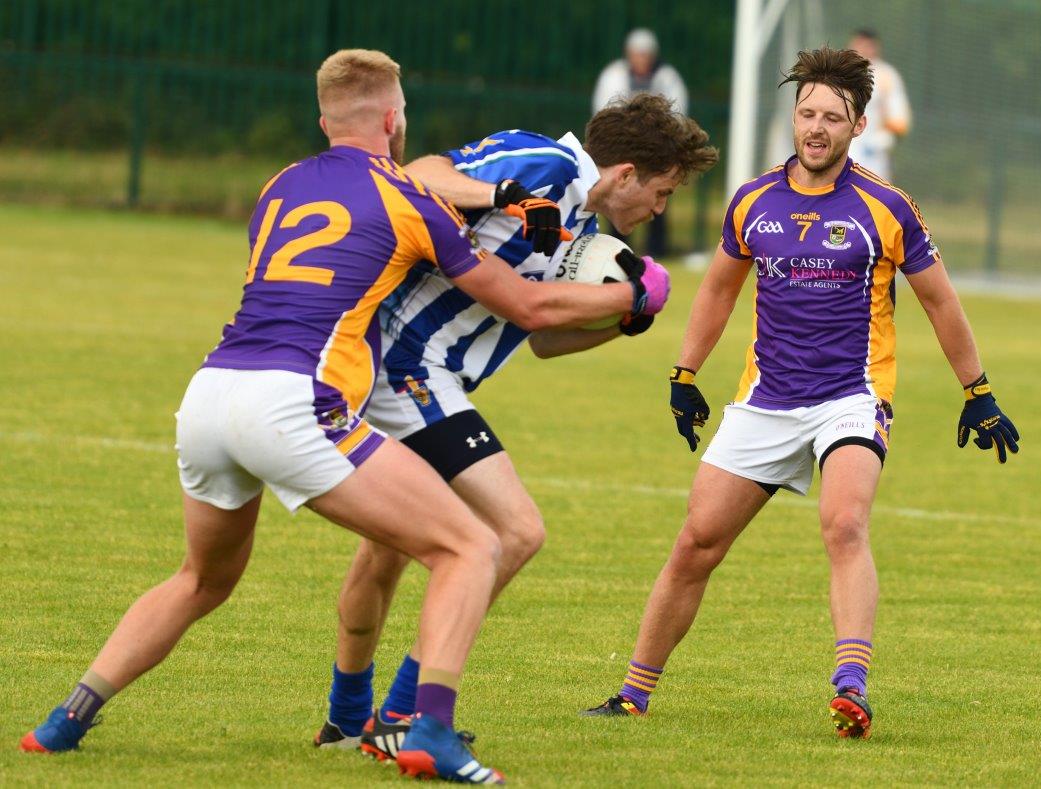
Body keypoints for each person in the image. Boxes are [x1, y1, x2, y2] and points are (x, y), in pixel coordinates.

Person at [19, 48, 667, 785]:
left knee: (201, 578)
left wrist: (516, 212)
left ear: (323, 119)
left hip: (210, 392)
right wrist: (630, 297)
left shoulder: (279, 186)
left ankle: (64, 719)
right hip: (296, 402)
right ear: (394, 120)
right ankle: (422, 729)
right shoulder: (411, 198)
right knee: (472, 548)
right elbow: (524, 305)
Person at [582, 47, 1019, 738]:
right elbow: (721, 290)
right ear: (793, 118)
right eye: (807, 113)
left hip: (852, 394)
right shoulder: (753, 200)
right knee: (695, 542)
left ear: (857, 125)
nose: (816, 127)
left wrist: (979, 389)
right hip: (767, 399)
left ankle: (852, 684)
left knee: (843, 523)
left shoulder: (887, 207)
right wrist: (685, 373)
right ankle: (632, 692)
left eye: (832, 117)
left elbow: (940, 301)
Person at [311, 93, 719, 760]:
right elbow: (416, 175)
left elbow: (544, 339)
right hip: (405, 364)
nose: (661, 209)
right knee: (516, 530)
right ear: (623, 175)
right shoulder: (545, 162)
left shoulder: (587, 234)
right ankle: (404, 713)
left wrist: (626, 319)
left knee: (386, 551)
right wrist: (499, 193)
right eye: (662, 191)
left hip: (430, 375)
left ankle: (347, 717)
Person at [592, 28, 690, 258]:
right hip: (621, 152)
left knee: (656, 197)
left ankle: (657, 249)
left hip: (658, 152)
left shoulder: (667, 77)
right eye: (637, 54)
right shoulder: (614, 75)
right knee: (618, 197)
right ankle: (615, 246)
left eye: (645, 54)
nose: (641, 59)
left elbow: (678, 112)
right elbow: (604, 111)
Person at [846, 29, 912, 179]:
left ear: (874, 47)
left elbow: (899, 120)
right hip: (843, 148)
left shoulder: (886, 76)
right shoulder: (839, 72)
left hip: (872, 155)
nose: (860, 49)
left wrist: (880, 142)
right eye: (857, 44)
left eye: (865, 45)